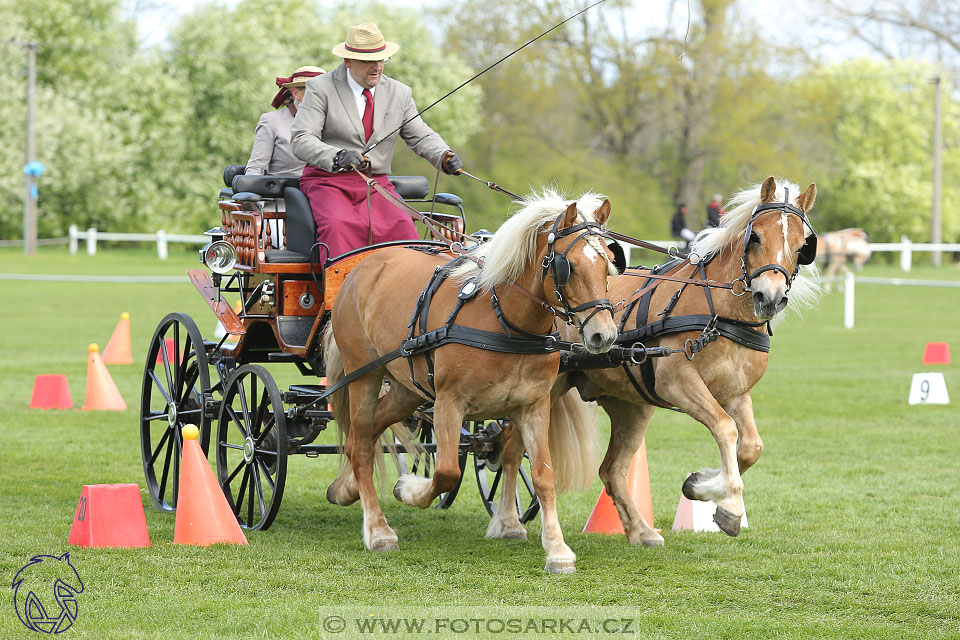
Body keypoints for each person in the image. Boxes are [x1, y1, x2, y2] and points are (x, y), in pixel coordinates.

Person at [291, 22, 462, 258]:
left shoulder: (399, 93)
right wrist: (338, 156)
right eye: (368, 61)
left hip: (376, 185)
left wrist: (444, 155)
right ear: (348, 61)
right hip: (328, 182)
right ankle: (338, 295)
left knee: (404, 229)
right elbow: (301, 139)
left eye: (382, 59)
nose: (377, 67)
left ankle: (407, 295)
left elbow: (420, 134)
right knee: (338, 228)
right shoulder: (320, 87)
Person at [245, 65, 326, 176]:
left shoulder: (334, 122)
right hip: (284, 190)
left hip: (326, 188)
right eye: (315, 94)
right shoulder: (271, 121)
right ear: (296, 94)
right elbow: (256, 169)